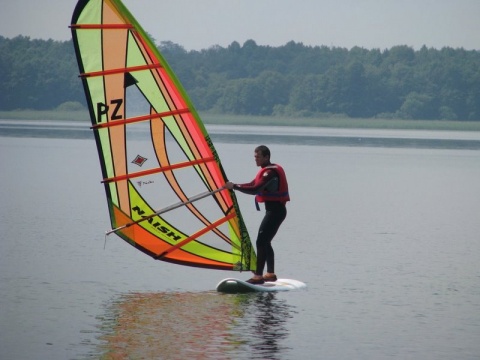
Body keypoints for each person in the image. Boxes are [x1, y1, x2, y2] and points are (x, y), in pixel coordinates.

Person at [225, 145, 289, 284]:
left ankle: (258, 277)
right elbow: (251, 184)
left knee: (261, 241)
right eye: (255, 157)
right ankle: (270, 274)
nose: (256, 159)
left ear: (266, 157)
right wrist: (233, 185)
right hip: (274, 211)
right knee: (265, 241)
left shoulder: (270, 173)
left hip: (276, 212)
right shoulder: (266, 171)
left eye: (258, 157)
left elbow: (254, 189)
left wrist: (234, 187)